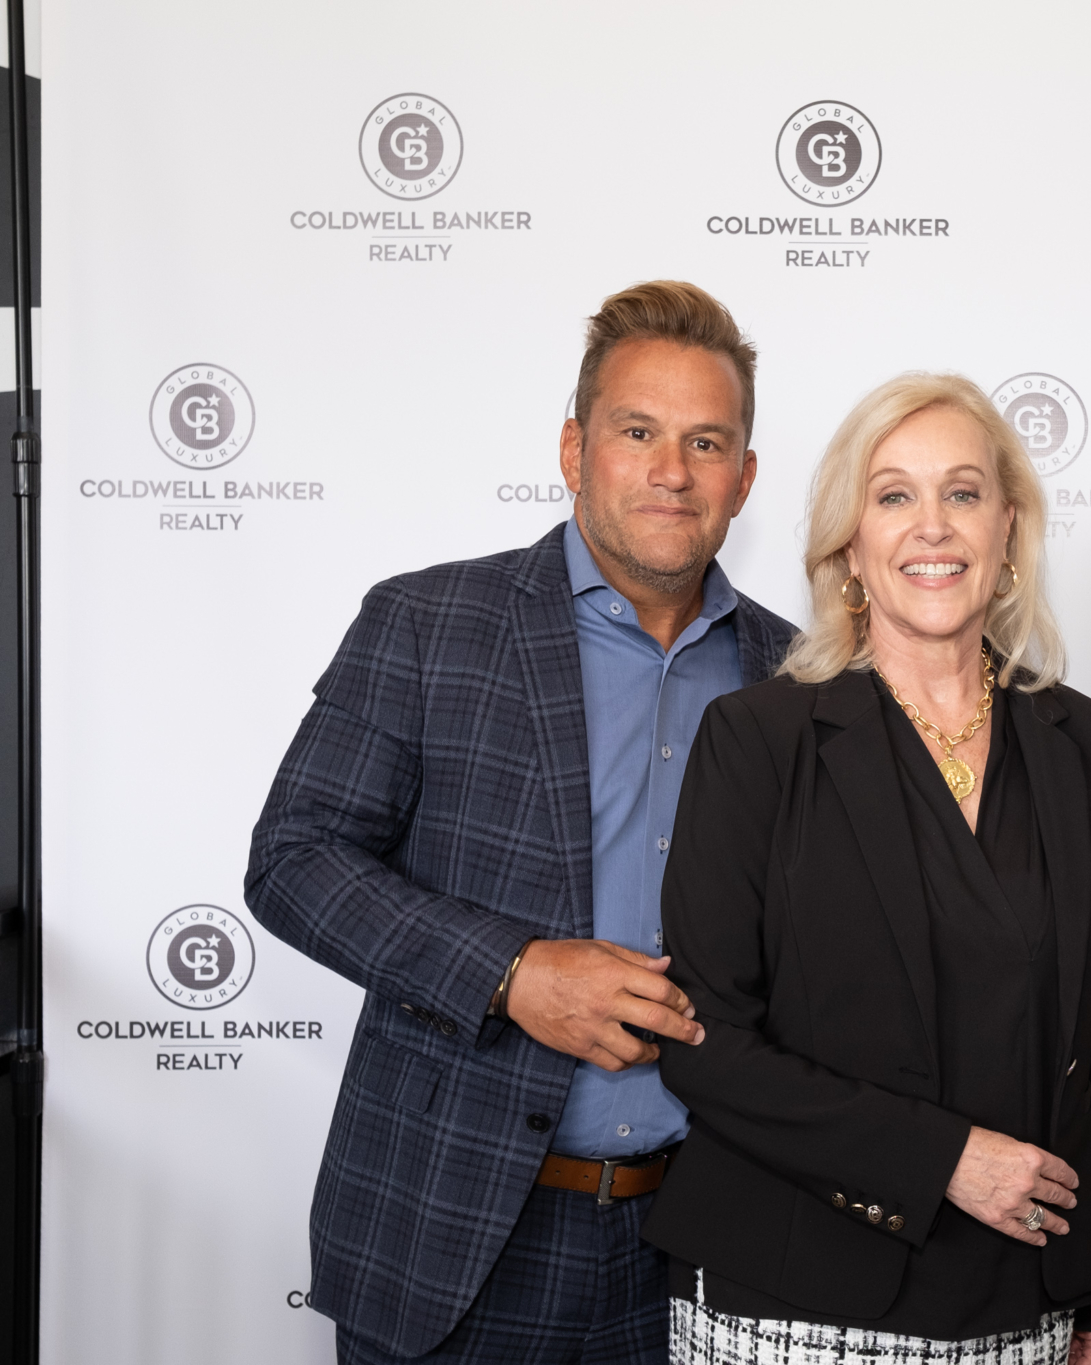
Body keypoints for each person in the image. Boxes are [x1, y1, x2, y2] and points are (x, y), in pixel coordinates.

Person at [244, 280, 796, 1364]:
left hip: (701, 1242)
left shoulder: (795, 675)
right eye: (637, 432)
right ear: (573, 449)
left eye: (705, 442)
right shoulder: (427, 623)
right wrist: (512, 972)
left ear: (743, 477)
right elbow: (294, 860)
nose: (671, 470)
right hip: (456, 1231)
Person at [635, 373, 1091, 1365]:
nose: (931, 526)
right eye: (893, 495)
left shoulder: (1082, 741)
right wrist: (943, 1161)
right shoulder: (757, 739)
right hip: (794, 1299)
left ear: (1007, 529)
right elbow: (702, 1039)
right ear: (850, 546)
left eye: (962, 492)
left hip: (1021, 1295)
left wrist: (1086, 1281)